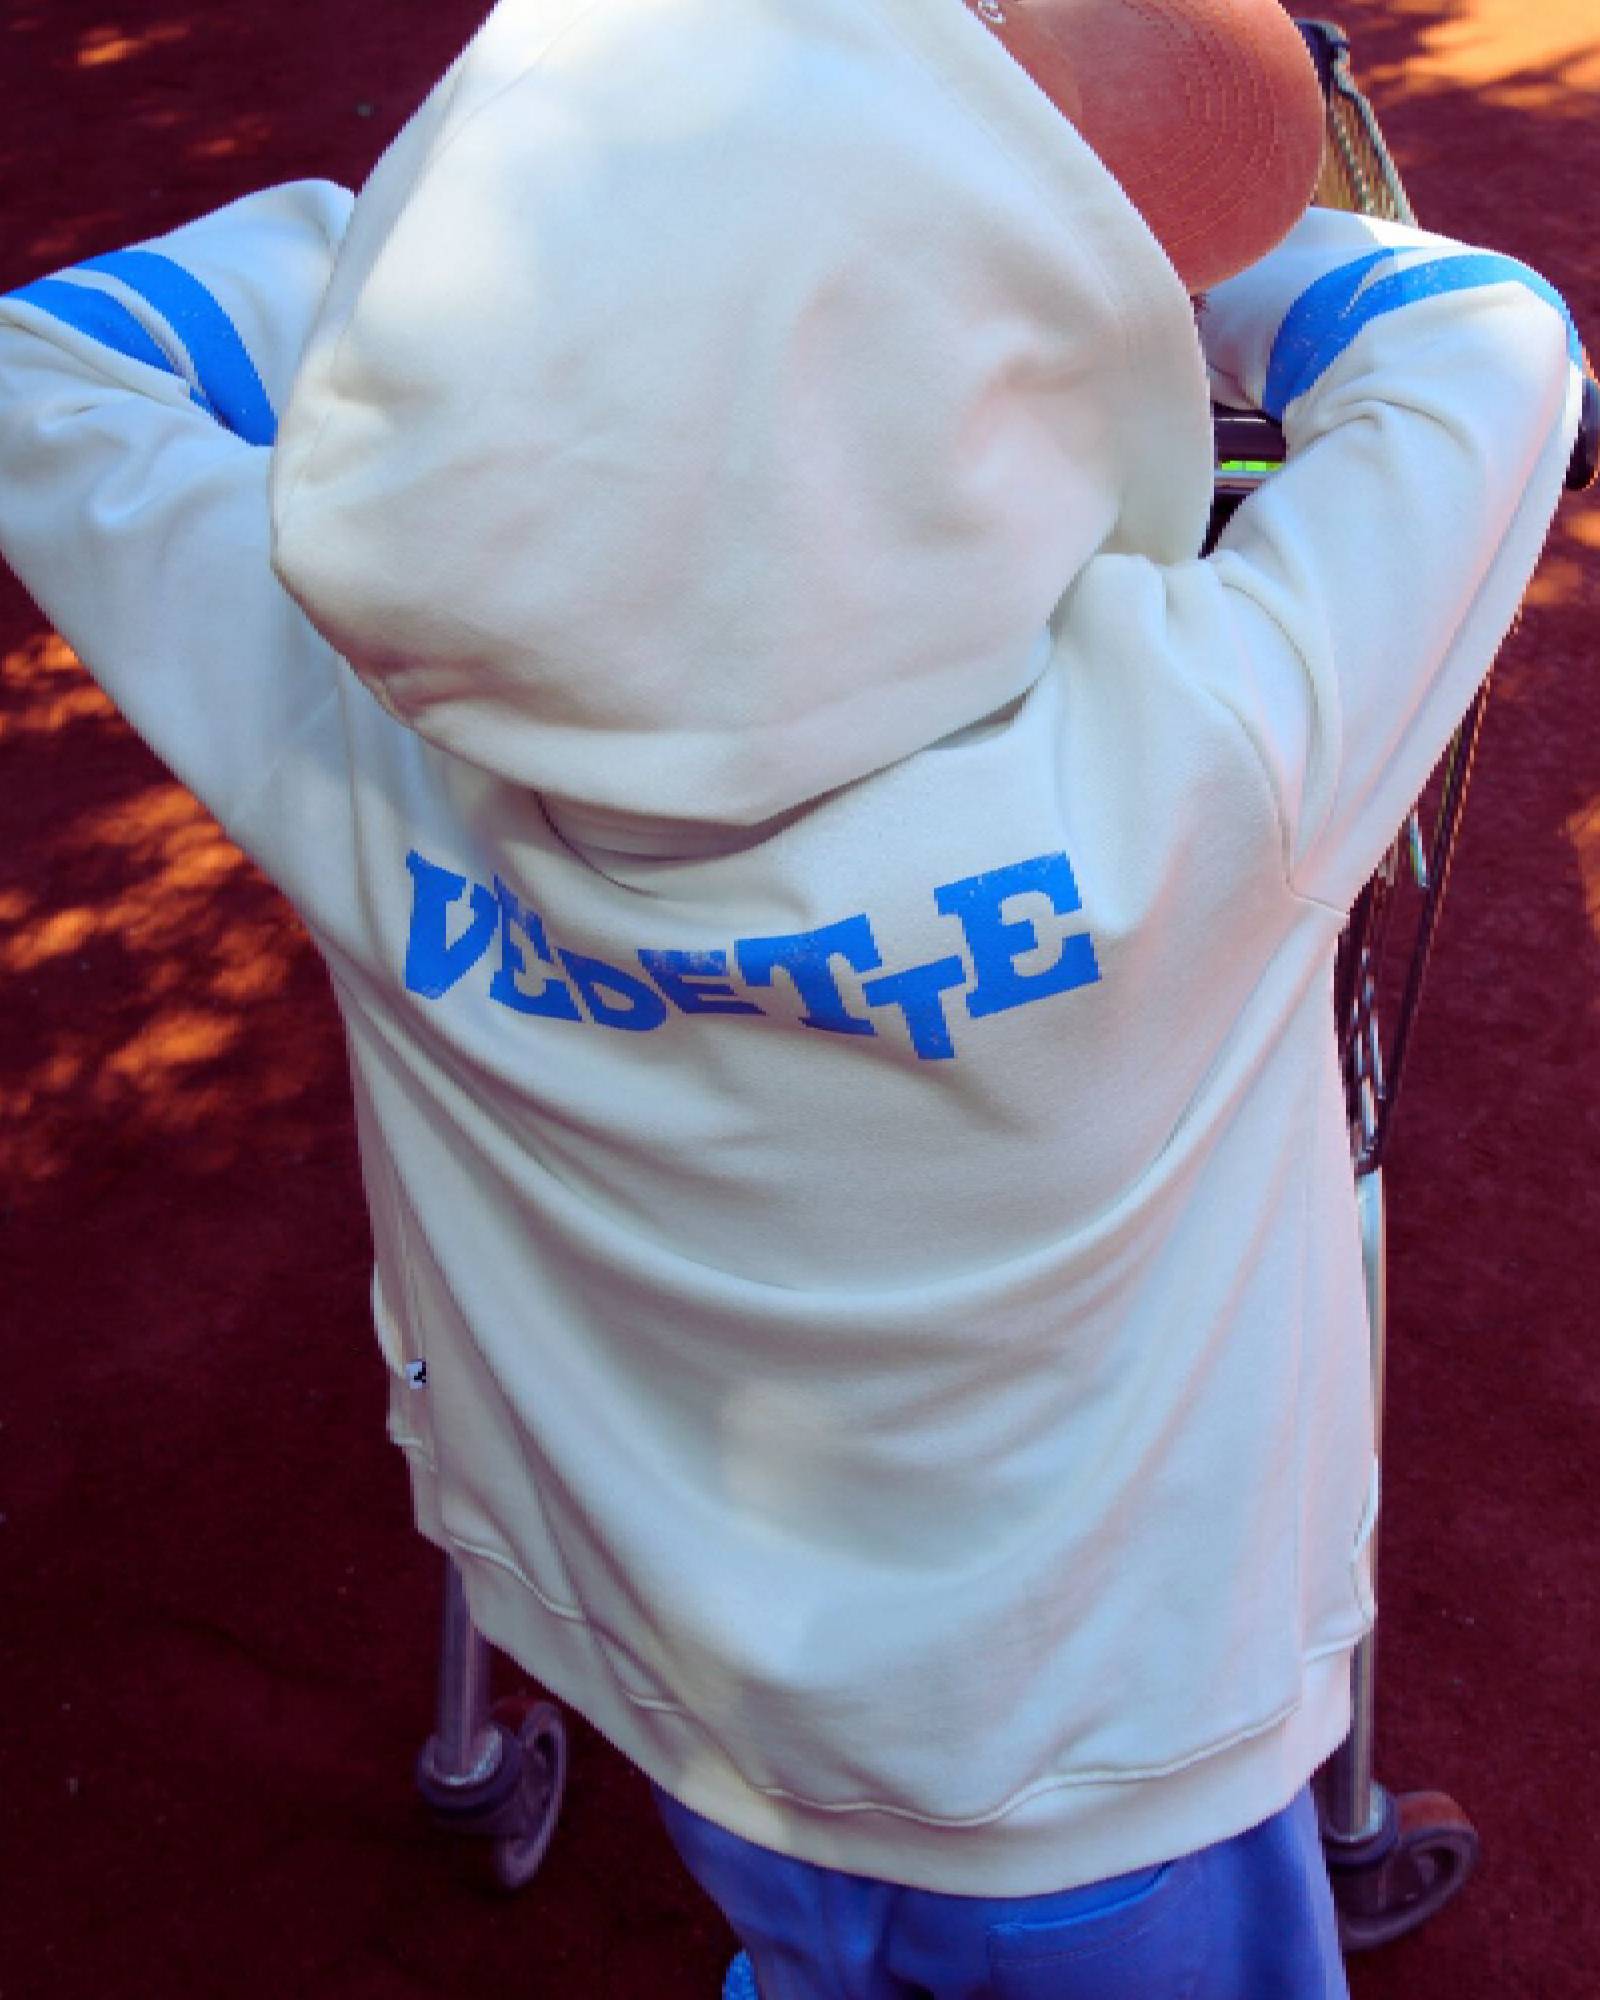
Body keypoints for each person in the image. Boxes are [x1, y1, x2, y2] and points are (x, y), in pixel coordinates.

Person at [0, 0, 1584, 1993]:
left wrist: (482, 259)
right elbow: (1482, 342)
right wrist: (1117, 219)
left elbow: (47, 360)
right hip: (1102, 1760)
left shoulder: (344, 731)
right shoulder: (1197, 753)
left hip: (692, 1692)